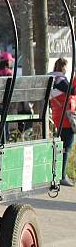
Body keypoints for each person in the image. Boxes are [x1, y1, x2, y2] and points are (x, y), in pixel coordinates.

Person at [50, 57, 74, 186]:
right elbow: (72, 91)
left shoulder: (51, 79)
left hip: (57, 117)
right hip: (66, 119)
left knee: (60, 147)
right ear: (63, 67)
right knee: (67, 147)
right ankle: (62, 176)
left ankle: (56, 174)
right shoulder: (61, 80)